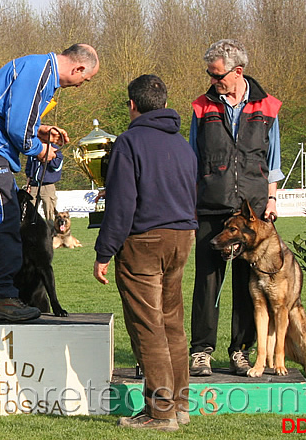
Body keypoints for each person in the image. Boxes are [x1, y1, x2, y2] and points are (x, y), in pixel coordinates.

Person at [0, 43, 99, 321]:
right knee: (5, 223)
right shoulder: (40, 73)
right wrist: (40, 149)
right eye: (86, 79)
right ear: (79, 68)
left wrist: (40, 131)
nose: (83, 85)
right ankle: (1, 296)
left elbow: (13, 116)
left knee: (1, 222)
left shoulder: (37, 68)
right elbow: (17, 129)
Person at [93, 75, 197, 432]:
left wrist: (104, 251)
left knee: (148, 327)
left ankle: (160, 412)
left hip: (144, 242)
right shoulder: (183, 144)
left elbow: (122, 204)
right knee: (172, 323)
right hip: (183, 237)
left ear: (132, 105)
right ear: (165, 104)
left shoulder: (129, 142)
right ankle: (180, 405)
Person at [189, 39, 284, 377]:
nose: (213, 81)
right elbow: (192, 158)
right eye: (210, 75)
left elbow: (273, 160)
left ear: (237, 71)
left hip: (253, 214)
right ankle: (201, 351)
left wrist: (271, 199)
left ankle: (240, 351)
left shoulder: (268, 106)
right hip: (212, 208)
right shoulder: (201, 106)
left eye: (217, 75)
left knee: (249, 284)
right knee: (207, 282)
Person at [24, 145, 63, 223]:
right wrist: (28, 185)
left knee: (49, 213)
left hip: (47, 187)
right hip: (34, 186)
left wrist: (47, 156)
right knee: (30, 212)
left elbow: (56, 166)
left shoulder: (55, 149)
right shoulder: (34, 148)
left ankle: (51, 232)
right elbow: (29, 168)